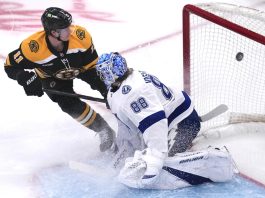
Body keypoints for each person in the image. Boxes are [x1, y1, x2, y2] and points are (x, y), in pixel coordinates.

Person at [95, 52, 236, 189]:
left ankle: (217, 161)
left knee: (164, 164)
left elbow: (155, 124)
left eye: (102, 73)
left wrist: (155, 157)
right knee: (142, 159)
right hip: (168, 122)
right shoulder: (116, 90)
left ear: (110, 73)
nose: (100, 77)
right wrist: (124, 152)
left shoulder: (134, 92)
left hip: (183, 122)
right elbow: (128, 128)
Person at [3, 7, 115, 152]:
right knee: (68, 104)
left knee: (110, 88)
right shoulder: (33, 47)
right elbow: (10, 66)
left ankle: (129, 119)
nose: (70, 30)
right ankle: (103, 129)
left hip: (83, 67)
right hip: (52, 76)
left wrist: (105, 88)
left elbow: (94, 66)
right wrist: (24, 78)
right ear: (53, 32)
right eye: (64, 28)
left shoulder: (81, 36)